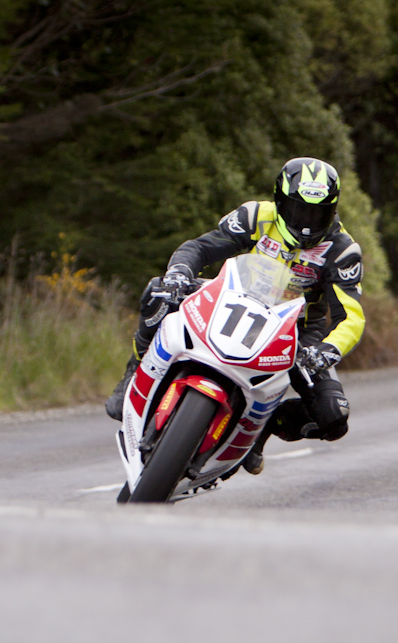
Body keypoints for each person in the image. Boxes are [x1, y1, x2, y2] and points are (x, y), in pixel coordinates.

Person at [105, 156, 365, 475]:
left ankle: (262, 429)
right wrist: (179, 272)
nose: (308, 222)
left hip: (296, 328)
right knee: (158, 290)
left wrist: (324, 352)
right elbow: (200, 247)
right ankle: (133, 371)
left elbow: (351, 318)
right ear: (280, 202)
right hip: (232, 297)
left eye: (318, 213)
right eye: (299, 210)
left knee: (333, 417)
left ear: (333, 210)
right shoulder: (256, 215)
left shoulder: (342, 251)